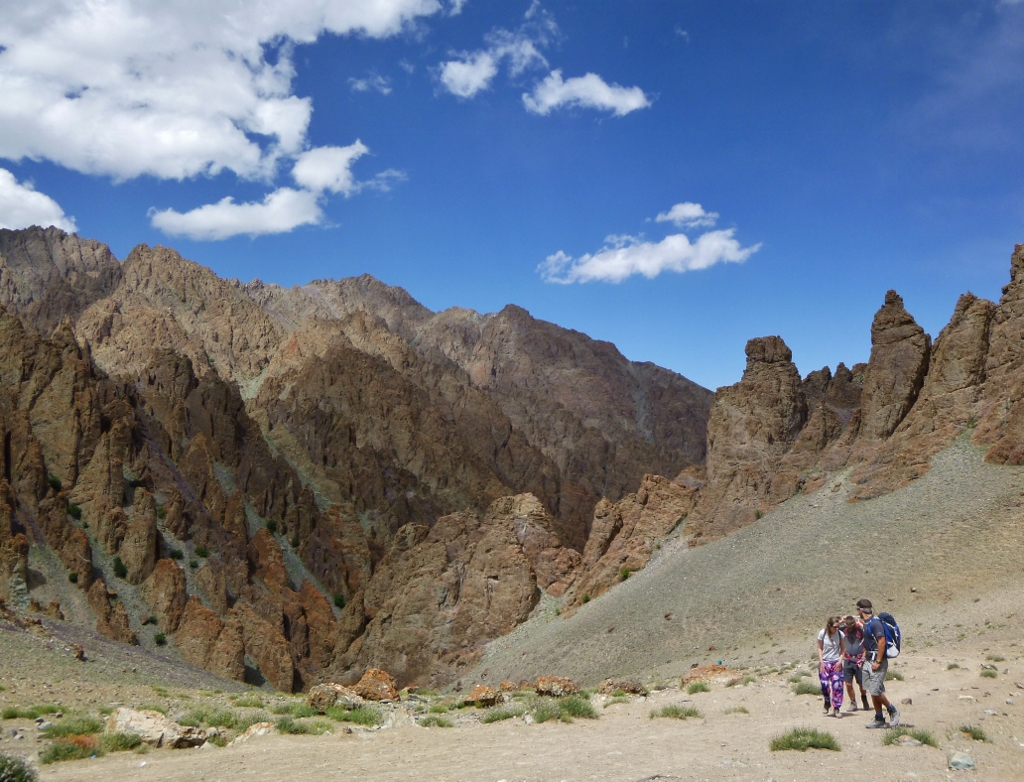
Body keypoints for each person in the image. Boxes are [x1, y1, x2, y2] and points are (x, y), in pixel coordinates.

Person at [856, 598, 899, 728]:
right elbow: (868, 643)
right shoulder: (866, 623)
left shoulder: (875, 623)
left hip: (877, 661)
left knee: (875, 691)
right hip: (868, 660)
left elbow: (882, 641)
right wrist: (863, 659)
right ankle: (879, 718)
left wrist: (878, 661)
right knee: (872, 689)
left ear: (861, 610)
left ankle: (893, 710)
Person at [817, 615, 845, 718]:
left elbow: (843, 649)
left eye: (838, 626)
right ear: (829, 626)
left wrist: (840, 661)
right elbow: (819, 648)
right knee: (824, 685)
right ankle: (827, 701)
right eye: (835, 627)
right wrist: (821, 662)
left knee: (837, 685)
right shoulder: (822, 634)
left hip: (836, 662)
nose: (837, 629)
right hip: (825, 662)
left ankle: (837, 708)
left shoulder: (840, 634)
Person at [840, 614, 870, 711]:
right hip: (848, 660)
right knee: (848, 683)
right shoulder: (843, 630)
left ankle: (864, 698)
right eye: (848, 626)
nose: (849, 629)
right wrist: (841, 621)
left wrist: (858, 621)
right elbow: (831, 628)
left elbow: (867, 628)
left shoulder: (859, 630)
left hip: (859, 660)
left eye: (851, 626)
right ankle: (853, 702)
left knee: (861, 683)